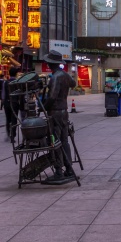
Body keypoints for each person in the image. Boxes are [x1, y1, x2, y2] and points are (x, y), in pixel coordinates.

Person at [43, 50, 77, 181]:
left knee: (55, 141)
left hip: (55, 113)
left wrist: (44, 107)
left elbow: (52, 97)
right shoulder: (65, 75)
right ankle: (69, 168)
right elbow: (73, 83)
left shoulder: (55, 77)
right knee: (64, 141)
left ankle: (58, 171)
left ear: (51, 63)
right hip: (64, 112)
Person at [3, 67, 19, 143]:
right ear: (16, 74)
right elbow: (19, 94)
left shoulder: (5, 82)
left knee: (8, 119)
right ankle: (13, 136)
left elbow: (3, 94)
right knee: (14, 120)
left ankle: (8, 134)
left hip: (7, 102)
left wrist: (3, 102)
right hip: (15, 103)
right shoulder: (17, 82)